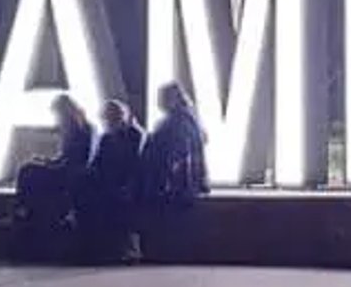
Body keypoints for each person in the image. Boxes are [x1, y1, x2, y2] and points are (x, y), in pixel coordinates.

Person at [12, 94, 93, 256]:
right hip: (65, 168)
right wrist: (48, 161)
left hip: (70, 173)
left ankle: (23, 207)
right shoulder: (73, 128)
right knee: (29, 168)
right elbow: (64, 156)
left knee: (27, 171)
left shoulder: (81, 129)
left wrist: (52, 164)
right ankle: (25, 207)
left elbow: (75, 158)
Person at [135, 82, 209, 258]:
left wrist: (164, 180)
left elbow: (174, 154)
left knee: (169, 224)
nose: (158, 102)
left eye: (161, 98)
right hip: (181, 184)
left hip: (173, 185)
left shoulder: (176, 122)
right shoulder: (189, 119)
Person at [76, 99, 143, 263]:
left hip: (129, 183)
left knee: (118, 204)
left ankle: (128, 249)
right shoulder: (107, 137)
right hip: (108, 183)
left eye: (110, 119)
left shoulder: (136, 136)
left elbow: (137, 165)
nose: (107, 123)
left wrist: (127, 185)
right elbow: (98, 162)